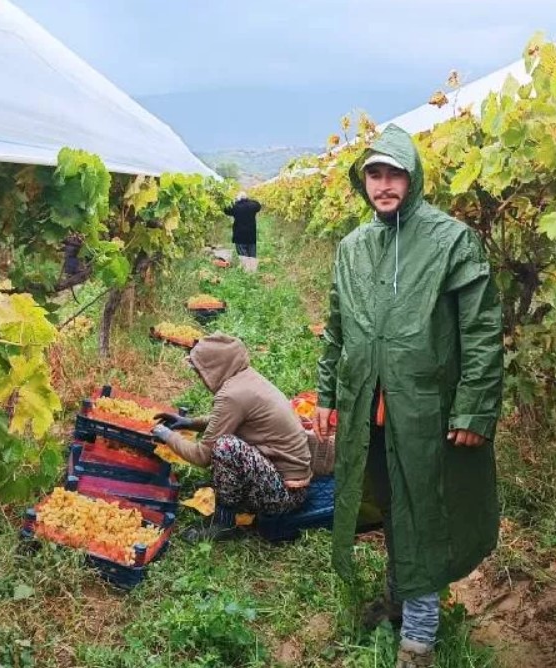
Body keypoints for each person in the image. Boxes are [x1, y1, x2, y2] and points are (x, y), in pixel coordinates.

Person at [313, 124, 504, 668]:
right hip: (365, 407)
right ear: (363, 182)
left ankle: (418, 638)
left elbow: (482, 331)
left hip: (425, 410)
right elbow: (335, 329)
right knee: (391, 503)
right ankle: (399, 600)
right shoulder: (352, 248)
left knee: (423, 509)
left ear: (412, 176)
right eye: (375, 173)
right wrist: (327, 393)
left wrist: (474, 407)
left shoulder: (450, 241)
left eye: (394, 172)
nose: (384, 183)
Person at [151, 333, 313, 519]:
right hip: (291, 484)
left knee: (225, 447)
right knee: (225, 444)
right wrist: (189, 423)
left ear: (215, 369)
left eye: (200, 372)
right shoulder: (247, 379)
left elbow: (202, 456)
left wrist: (167, 436)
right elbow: (227, 420)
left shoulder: (231, 395)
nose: (200, 378)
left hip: (283, 495)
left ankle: (225, 520)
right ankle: (233, 494)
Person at [224, 192, 261, 272]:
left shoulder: (235, 206)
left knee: (243, 254)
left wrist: (235, 201)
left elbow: (226, 210)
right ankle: (252, 270)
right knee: (252, 253)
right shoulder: (252, 206)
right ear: (246, 198)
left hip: (239, 235)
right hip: (251, 234)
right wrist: (248, 200)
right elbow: (258, 205)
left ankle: (247, 270)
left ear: (238, 199)